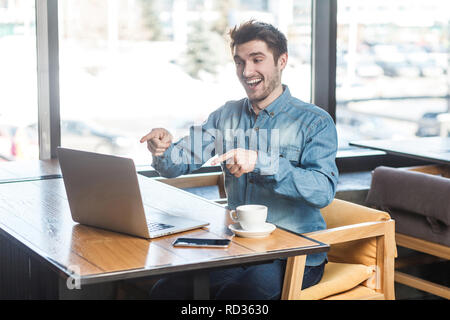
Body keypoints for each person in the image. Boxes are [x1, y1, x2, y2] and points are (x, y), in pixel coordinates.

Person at [140, 20, 338, 300]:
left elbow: (322, 191)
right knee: (166, 291)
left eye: (257, 59)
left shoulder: (314, 122)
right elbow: (176, 165)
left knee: (241, 294)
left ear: (282, 61)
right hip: (237, 248)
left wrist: (262, 161)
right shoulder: (226, 116)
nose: (247, 71)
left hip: (294, 254)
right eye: (239, 61)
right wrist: (162, 149)